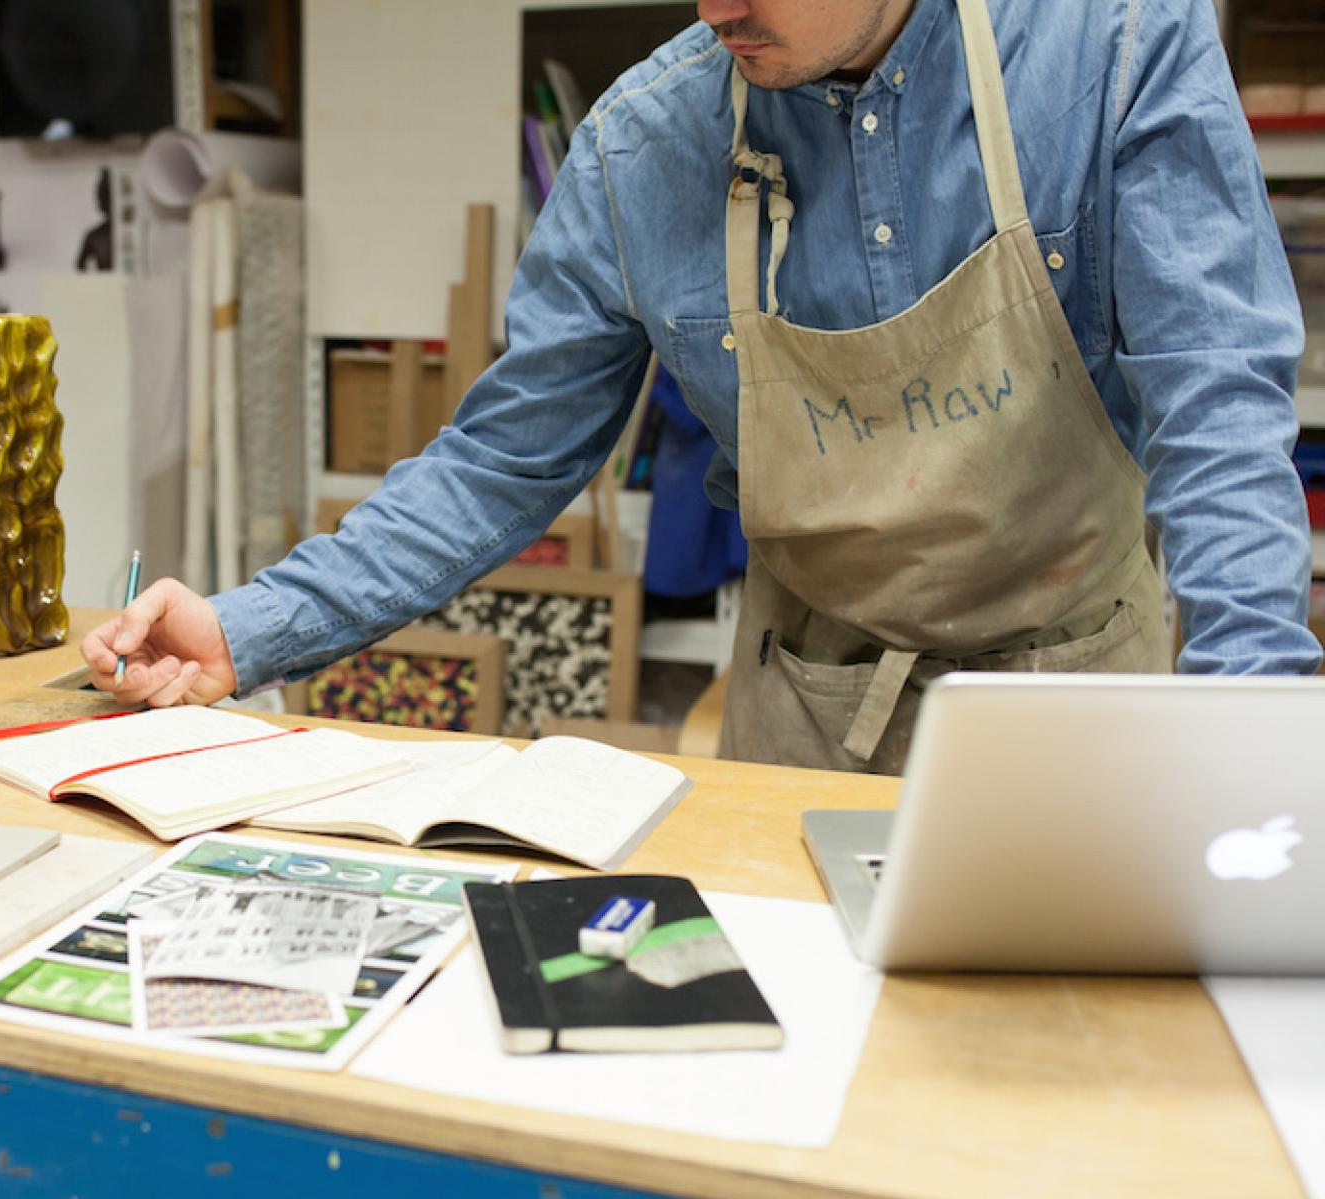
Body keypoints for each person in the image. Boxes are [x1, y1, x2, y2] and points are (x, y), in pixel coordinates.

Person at [82, 0, 1324, 773]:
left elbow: (1218, 413)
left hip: (1085, 708)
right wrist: (251, 628)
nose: (714, 3)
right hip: (806, 717)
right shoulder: (644, 146)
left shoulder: (1114, 46)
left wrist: (1256, 744)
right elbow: (496, 468)